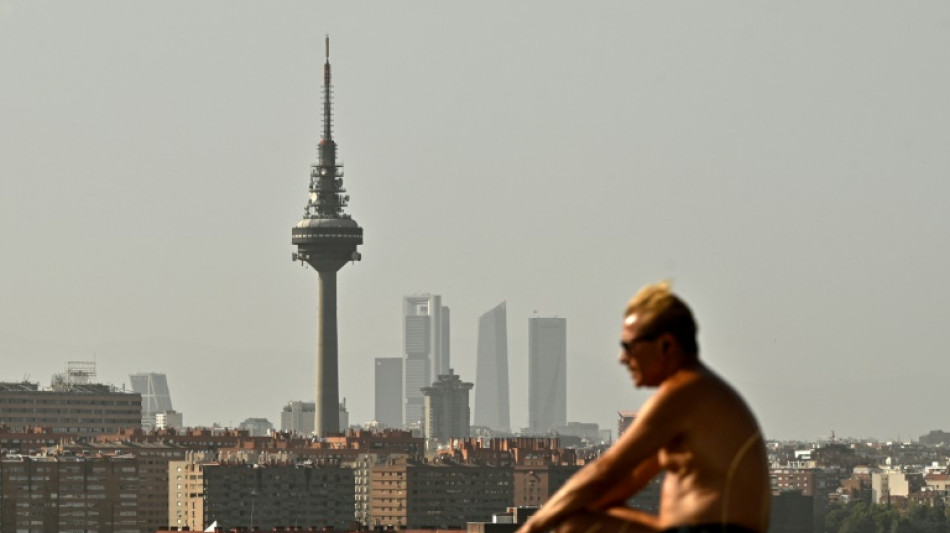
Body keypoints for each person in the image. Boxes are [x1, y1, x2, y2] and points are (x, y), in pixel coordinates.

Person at [515, 281, 770, 533]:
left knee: (575, 527)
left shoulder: (683, 394)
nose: (623, 358)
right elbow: (628, 479)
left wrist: (532, 526)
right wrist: (574, 505)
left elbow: (605, 470)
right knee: (575, 517)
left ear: (666, 346)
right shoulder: (697, 394)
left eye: (628, 346)